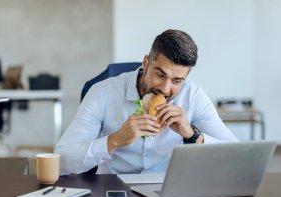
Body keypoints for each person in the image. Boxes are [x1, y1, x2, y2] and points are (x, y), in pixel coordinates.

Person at [55, 29, 238, 175]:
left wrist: (192, 135)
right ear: (145, 63)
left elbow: (237, 156)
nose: (165, 89)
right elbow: (60, 162)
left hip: (170, 193)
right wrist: (114, 141)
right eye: (160, 75)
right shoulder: (103, 92)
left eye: (177, 81)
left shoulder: (193, 96)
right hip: (113, 193)